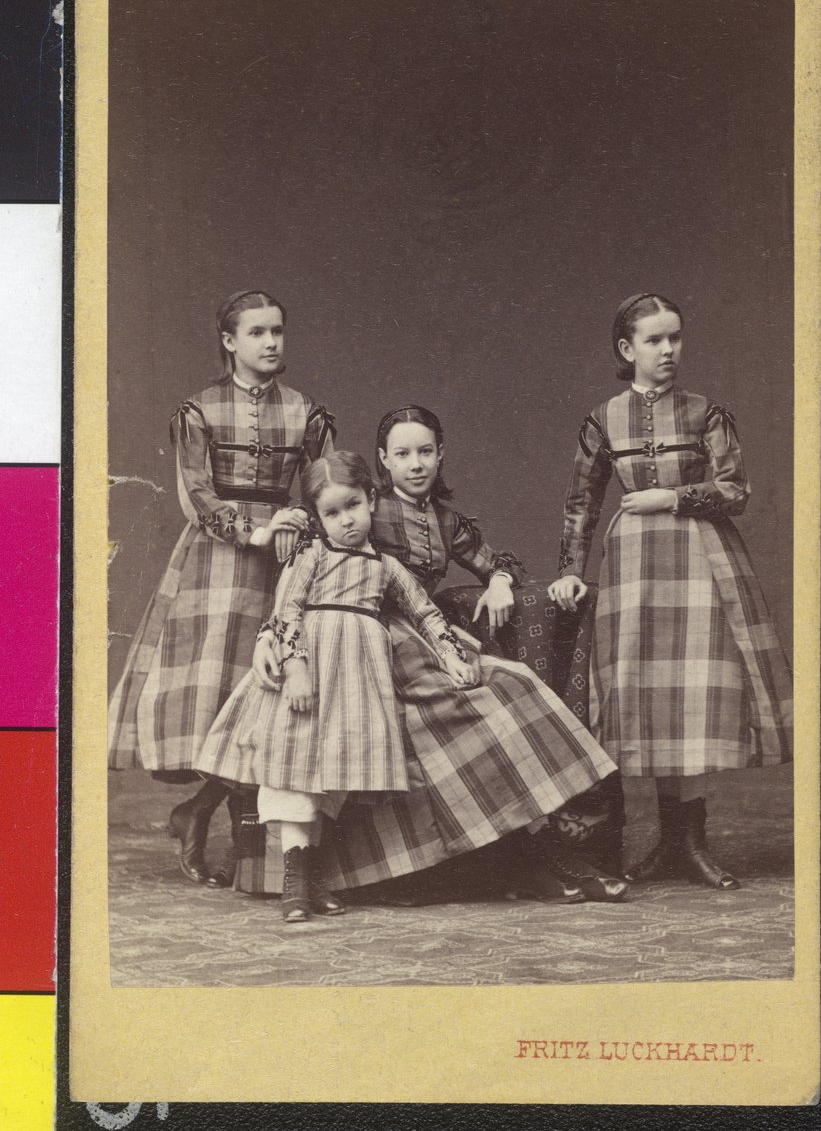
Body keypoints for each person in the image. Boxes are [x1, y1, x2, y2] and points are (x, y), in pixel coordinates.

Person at [239, 405, 627, 906]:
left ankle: (538, 850)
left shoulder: (445, 520)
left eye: (425, 452)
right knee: (459, 717)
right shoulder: (355, 506)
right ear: (383, 462)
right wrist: (269, 640)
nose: (416, 464)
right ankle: (513, 858)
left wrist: (500, 581)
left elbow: (495, 562)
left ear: (440, 455)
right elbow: (297, 587)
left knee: (512, 688)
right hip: (359, 647)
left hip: (422, 637)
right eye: (402, 454)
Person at [548, 294, 793, 889]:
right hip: (635, 565)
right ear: (626, 349)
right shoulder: (603, 419)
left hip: (701, 557)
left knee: (694, 690)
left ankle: (691, 842)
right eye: (654, 340)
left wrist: (673, 497)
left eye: (675, 338)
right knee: (652, 694)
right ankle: (668, 841)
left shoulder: (707, 412)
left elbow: (736, 490)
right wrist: (571, 569)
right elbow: (581, 502)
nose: (668, 350)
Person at [107, 290, 335, 885]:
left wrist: (296, 524)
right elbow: (198, 493)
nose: (271, 342)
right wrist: (252, 532)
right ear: (229, 342)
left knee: (265, 696)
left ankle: (210, 820)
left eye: (277, 331)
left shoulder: (307, 411)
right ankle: (223, 830)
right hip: (218, 559)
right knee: (221, 695)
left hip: (284, 554)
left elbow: (326, 489)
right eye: (257, 332)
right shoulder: (199, 410)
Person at [197, 452, 477, 922]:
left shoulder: (385, 566)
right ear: (317, 517)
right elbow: (287, 608)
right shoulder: (311, 554)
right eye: (331, 513)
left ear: (371, 500)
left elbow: (424, 612)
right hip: (309, 670)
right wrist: (296, 669)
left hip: (357, 679)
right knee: (294, 769)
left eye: (353, 506)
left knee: (330, 777)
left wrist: (451, 654)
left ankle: (313, 879)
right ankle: (294, 884)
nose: (346, 520)